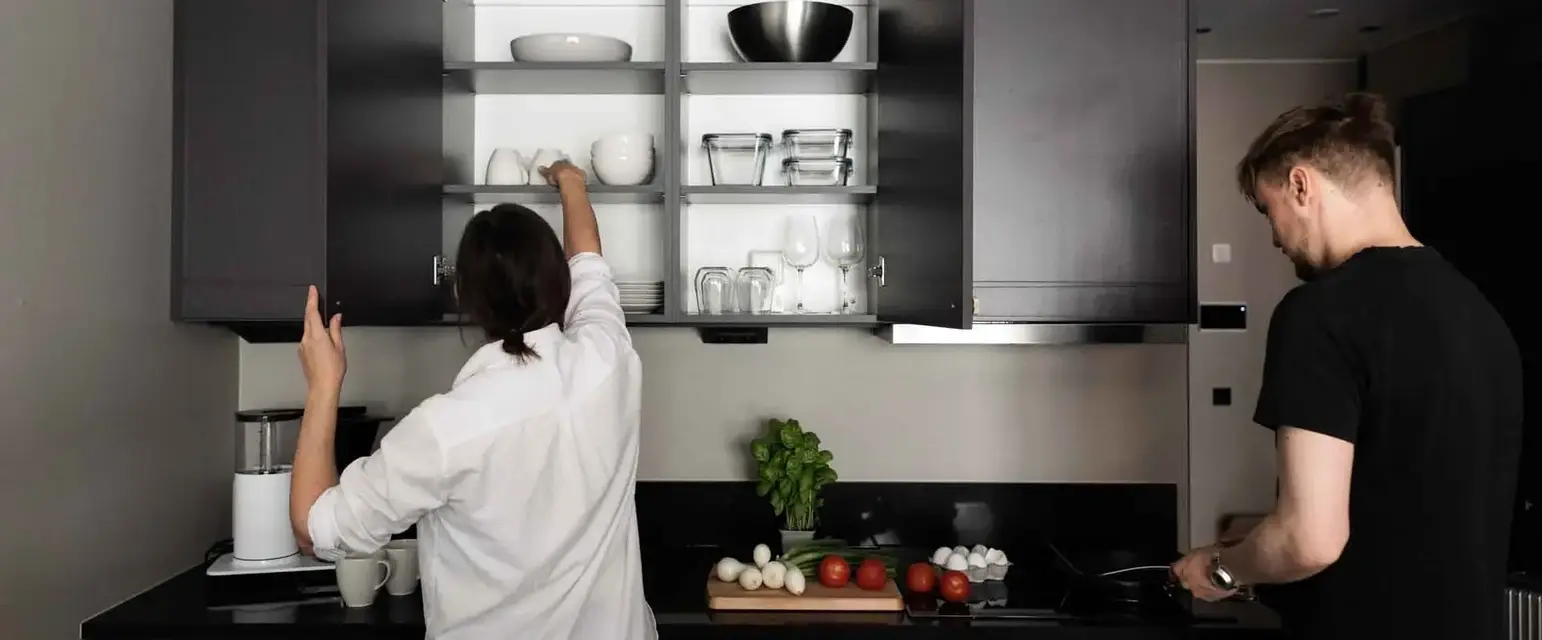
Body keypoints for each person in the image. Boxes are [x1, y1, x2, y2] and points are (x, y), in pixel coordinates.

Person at [1171, 92, 1523, 639]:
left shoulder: (1319, 314)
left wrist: (1219, 568)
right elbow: (1410, 499)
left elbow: (1310, 539)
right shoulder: (1481, 313)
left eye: (1270, 212)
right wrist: (1248, 544)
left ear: (1301, 185)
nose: (1275, 238)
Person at [287, 161, 657, 640]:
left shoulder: (446, 429)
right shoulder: (609, 361)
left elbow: (314, 529)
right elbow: (589, 261)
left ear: (466, 297)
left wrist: (323, 385)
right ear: (561, 286)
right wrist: (570, 181)